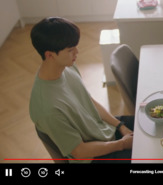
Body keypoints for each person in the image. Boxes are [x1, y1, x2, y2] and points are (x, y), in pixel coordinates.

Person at [29, 17, 134, 163]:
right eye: (70, 50)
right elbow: (79, 151)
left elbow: (88, 101)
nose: (77, 52)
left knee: (151, 122)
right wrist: (121, 144)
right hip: (94, 156)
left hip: (104, 131)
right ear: (49, 55)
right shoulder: (47, 108)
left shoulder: (67, 66)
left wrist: (120, 126)